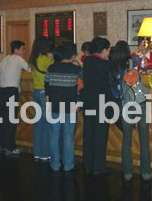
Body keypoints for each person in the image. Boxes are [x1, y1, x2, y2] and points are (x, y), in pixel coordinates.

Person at [110, 41, 151, 182]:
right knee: (144, 140)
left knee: (126, 141)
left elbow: (114, 92)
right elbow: (140, 55)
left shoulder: (112, 67)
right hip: (140, 104)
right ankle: (146, 172)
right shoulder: (132, 61)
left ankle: (127, 172)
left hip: (125, 106)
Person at [45, 43, 82, 172]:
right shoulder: (76, 70)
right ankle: (68, 165)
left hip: (54, 106)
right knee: (68, 137)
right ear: (72, 55)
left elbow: (47, 89)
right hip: (70, 107)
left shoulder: (51, 68)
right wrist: (78, 63)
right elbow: (83, 85)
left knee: (54, 136)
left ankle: (55, 164)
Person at [82, 36, 112, 176]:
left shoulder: (87, 61)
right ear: (104, 50)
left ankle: (88, 164)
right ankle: (99, 166)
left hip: (88, 101)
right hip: (102, 102)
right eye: (108, 50)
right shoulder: (106, 65)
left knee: (88, 133)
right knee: (100, 134)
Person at [0, 40, 31, 157]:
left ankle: (0, 146)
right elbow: (30, 69)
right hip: (11, 91)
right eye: (23, 49)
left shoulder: (5, 59)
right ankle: (10, 148)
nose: (24, 52)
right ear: (16, 50)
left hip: (1, 91)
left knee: (2, 119)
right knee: (11, 120)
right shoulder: (18, 59)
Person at [30, 36, 53, 162]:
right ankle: (46, 154)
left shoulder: (32, 59)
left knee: (38, 125)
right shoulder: (44, 59)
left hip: (35, 92)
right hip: (45, 93)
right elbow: (54, 69)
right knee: (46, 124)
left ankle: (38, 154)